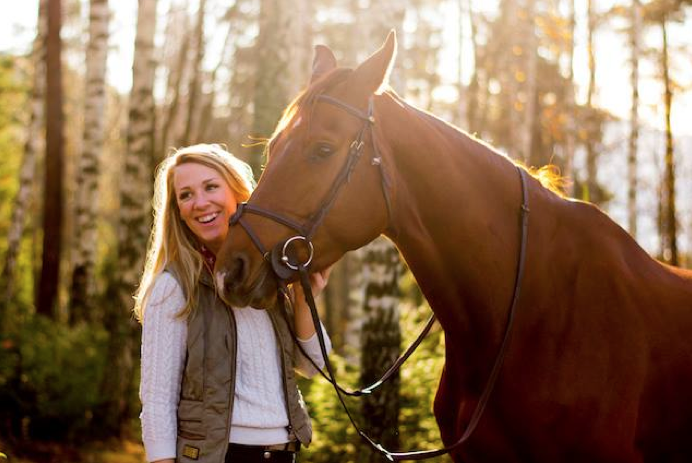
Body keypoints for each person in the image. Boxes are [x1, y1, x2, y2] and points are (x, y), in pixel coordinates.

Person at [135, 144, 332, 463]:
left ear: (238, 193)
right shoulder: (175, 286)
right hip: (217, 455)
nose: (200, 203)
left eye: (211, 187)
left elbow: (313, 366)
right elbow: (157, 400)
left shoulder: (270, 273)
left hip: (282, 452)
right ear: (178, 212)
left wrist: (304, 298)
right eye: (185, 195)